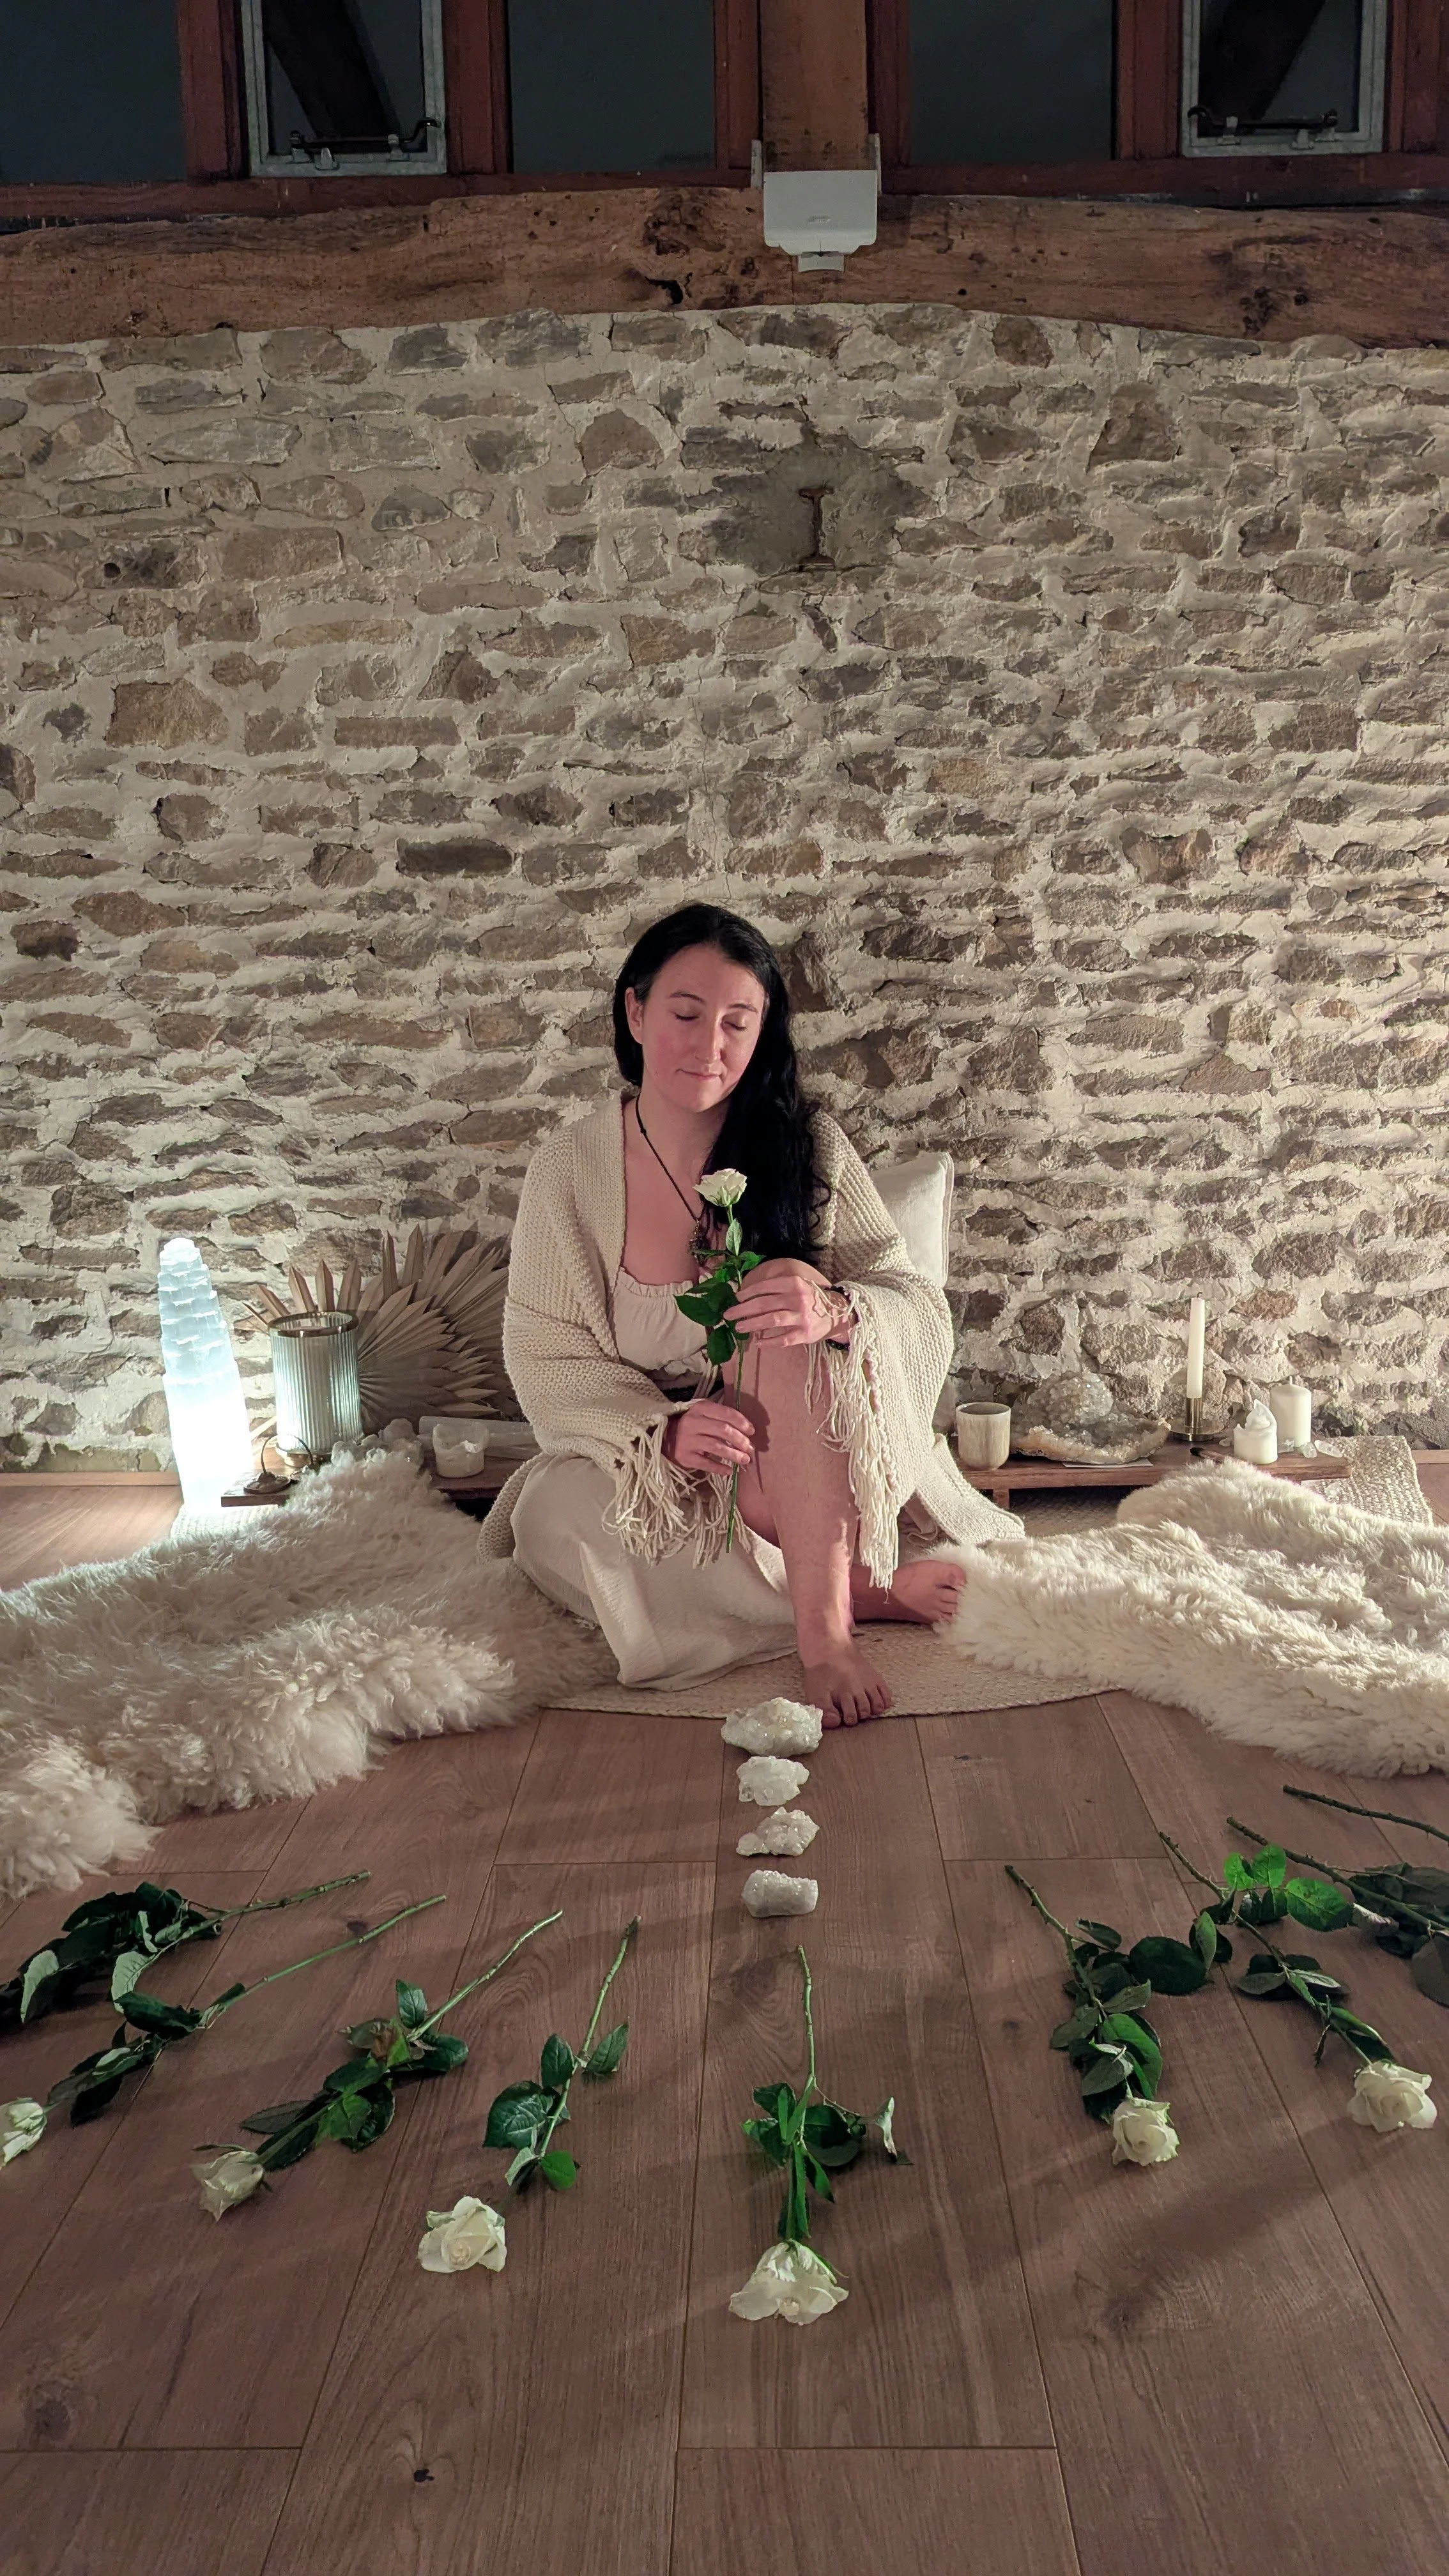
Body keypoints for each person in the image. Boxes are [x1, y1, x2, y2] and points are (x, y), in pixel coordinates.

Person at [480, 903, 1018, 1726]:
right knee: (553, 1523)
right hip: (668, 1468)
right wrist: (657, 1435)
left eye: (739, 1022)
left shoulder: (811, 1148)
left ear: (763, 1033)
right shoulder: (569, 1172)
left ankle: (825, 1635)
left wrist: (837, 1309)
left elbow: (912, 1300)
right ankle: (861, 1588)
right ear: (635, 1010)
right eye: (685, 1015)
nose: (710, 1047)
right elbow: (544, 1352)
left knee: (782, 1291)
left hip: (805, 1462)